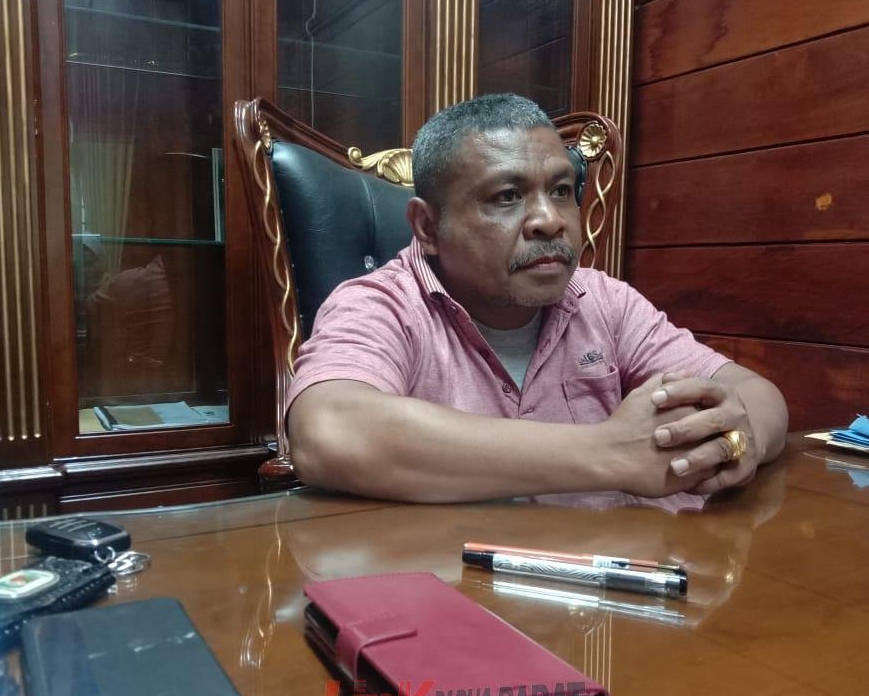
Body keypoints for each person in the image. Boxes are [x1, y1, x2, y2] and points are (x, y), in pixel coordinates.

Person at [286, 94, 788, 504]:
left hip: (617, 578)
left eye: (563, 190)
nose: (550, 220)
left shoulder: (603, 300)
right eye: (507, 196)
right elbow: (329, 430)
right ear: (428, 227)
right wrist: (609, 453)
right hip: (458, 584)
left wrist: (736, 439)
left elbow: (757, 395)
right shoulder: (381, 305)